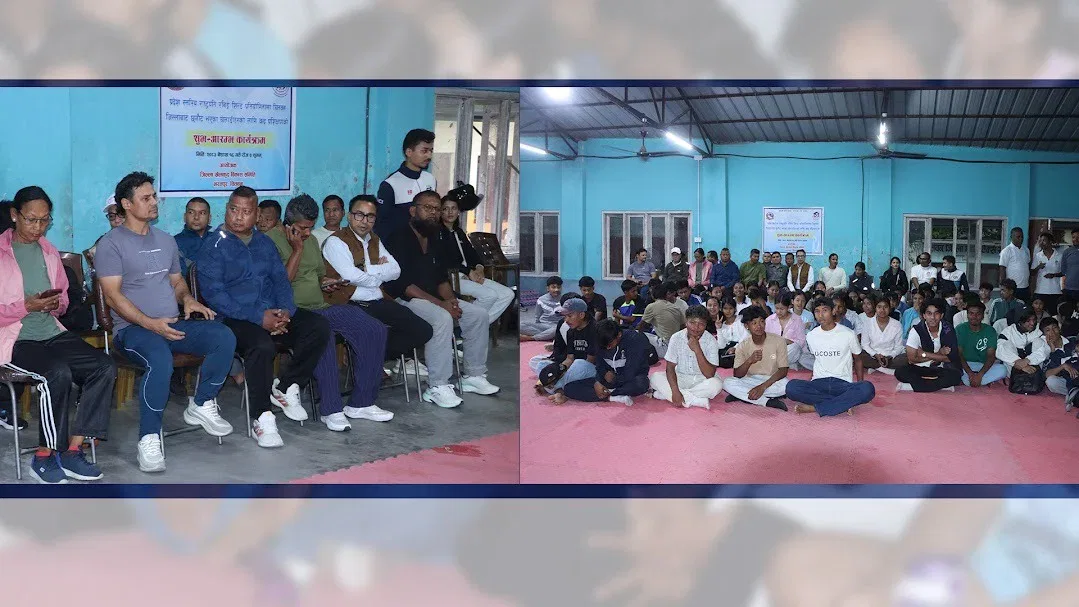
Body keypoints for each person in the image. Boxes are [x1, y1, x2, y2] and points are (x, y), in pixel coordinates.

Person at [96, 173, 236, 471]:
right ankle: (148, 438)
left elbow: (176, 281)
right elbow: (112, 297)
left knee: (223, 336)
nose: (153, 202)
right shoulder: (111, 244)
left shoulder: (165, 240)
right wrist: (149, 323)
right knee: (159, 358)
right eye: (145, 198)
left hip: (171, 323)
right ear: (126, 204)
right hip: (132, 331)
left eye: (154, 196)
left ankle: (202, 403)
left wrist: (188, 299)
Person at [198, 186, 330, 447]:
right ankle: (262, 417)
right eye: (233, 209)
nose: (238, 216)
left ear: (257, 214)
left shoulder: (264, 243)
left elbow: (280, 281)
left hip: (270, 312)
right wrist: (259, 318)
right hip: (231, 318)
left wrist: (285, 312)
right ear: (226, 209)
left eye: (246, 211)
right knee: (261, 345)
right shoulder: (213, 246)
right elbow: (216, 296)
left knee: (318, 326)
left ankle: (286, 385)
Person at [0, 186, 115, 483]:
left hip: (51, 332)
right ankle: (44, 457)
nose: (38, 227)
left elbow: (63, 298)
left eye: (45, 220)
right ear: (14, 215)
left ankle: (73, 450)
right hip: (15, 339)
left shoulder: (49, 251)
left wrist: (56, 304)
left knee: (103, 366)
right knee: (57, 373)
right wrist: (25, 306)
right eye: (31, 219)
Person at [265, 194, 393, 431]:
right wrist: (296, 249)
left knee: (373, 329)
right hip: (293, 314)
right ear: (287, 224)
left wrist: (327, 282)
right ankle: (331, 410)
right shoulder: (269, 241)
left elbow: (317, 274)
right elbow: (279, 284)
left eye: (310, 227)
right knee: (321, 334)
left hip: (321, 306)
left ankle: (362, 403)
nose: (307, 233)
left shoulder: (312, 240)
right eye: (303, 228)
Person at [382, 190, 501, 406]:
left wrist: (452, 301)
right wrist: (442, 305)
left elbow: (440, 278)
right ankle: (437, 386)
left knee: (478, 315)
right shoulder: (398, 238)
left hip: (432, 298)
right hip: (403, 299)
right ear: (413, 211)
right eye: (427, 208)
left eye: (436, 209)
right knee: (442, 318)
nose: (433, 213)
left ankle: (473, 375)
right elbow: (403, 285)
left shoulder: (434, 238)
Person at [322, 195, 433, 380]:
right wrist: (379, 275)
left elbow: (396, 270)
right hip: (350, 303)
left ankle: (369, 357)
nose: (364, 221)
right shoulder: (336, 242)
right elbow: (350, 277)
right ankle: (368, 359)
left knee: (422, 330)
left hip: (377, 300)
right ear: (349, 216)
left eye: (370, 216)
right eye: (359, 215)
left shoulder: (374, 239)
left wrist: (367, 269)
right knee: (375, 331)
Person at [786, 297, 875, 416]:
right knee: (791, 387)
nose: (821, 315)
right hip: (818, 383)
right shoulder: (811, 336)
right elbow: (818, 360)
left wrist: (858, 385)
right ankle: (842, 404)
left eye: (824, 310)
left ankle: (816, 408)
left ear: (833, 311)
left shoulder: (848, 333)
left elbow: (858, 360)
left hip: (842, 383)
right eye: (817, 311)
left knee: (867, 389)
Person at [439, 193, 515, 325]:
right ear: (440, 212)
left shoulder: (459, 232)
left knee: (507, 294)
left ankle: (477, 324)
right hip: (453, 277)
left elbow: (472, 254)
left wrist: (479, 267)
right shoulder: (438, 233)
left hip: (470, 275)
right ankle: (472, 325)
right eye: (446, 209)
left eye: (454, 208)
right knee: (490, 296)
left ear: (458, 211)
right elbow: (446, 260)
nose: (450, 212)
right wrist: (468, 271)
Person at [561, 319, 650, 406]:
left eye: (610, 344)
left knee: (641, 383)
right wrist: (598, 381)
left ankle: (609, 393)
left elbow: (631, 371)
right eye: (604, 345)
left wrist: (614, 379)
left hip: (630, 379)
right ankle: (612, 397)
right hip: (609, 380)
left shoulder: (634, 340)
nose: (607, 348)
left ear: (619, 335)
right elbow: (599, 365)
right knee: (569, 388)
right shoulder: (600, 340)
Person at [649, 305, 721, 409]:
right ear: (686, 321)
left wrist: (697, 349)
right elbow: (670, 367)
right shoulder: (676, 337)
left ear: (706, 325)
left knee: (716, 385)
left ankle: (666, 395)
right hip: (680, 377)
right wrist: (675, 391)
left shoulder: (711, 341)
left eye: (701, 324)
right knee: (655, 377)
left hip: (702, 379)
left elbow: (709, 374)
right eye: (692, 322)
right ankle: (694, 400)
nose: (696, 327)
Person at [535, 298, 600, 404]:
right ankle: (556, 388)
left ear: (581, 315)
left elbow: (590, 361)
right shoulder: (571, 331)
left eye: (569, 316)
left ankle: (557, 390)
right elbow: (569, 358)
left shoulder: (595, 329)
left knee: (579, 363)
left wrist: (557, 377)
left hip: (591, 369)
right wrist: (557, 371)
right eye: (565, 316)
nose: (566, 320)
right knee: (541, 365)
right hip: (574, 369)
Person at [725, 305, 790, 410]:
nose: (759, 326)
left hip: (772, 380)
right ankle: (767, 401)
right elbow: (737, 374)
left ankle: (743, 395)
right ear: (746, 326)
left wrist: (762, 387)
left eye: (761, 321)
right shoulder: (742, 346)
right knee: (727, 382)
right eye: (754, 323)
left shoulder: (779, 341)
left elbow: (783, 370)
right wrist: (749, 361)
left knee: (786, 385)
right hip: (751, 380)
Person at [376, 128, 437, 240]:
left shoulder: (430, 179)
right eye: (424, 151)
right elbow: (381, 225)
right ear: (409, 152)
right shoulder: (390, 184)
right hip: (400, 244)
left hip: (428, 244)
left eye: (431, 151)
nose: (429, 156)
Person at [894, 298, 962, 393]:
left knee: (956, 376)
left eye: (936, 313)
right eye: (929, 313)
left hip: (941, 368)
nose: (933, 317)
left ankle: (912, 386)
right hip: (920, 367)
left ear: (941, 315)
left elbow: (951, 358)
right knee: (900, 372)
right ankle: (940, 386)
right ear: (924, 315)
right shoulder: (916, 330)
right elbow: (912, 359)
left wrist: (924, 354)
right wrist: (939, 353)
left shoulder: (948, 330)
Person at [954, 300, 1008, 388]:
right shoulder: (960, 329)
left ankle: (973, 380)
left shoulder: (990, 330)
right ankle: (981, 380)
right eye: (971, 313)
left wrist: (980, 375)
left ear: (983, 316)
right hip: (966, 364)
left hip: (983, 365)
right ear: (967, 315)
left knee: (1003, 370)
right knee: (953, 368)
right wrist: (970, 373)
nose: (974, 317)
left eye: (978, 314)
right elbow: (959, 354)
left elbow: (991, 356)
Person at [859, 295, 907, 374]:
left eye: (885, 307)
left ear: (890, 308)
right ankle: (883, 368)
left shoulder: (897, 324)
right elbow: (865, 344)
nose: (882, 310)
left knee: (907, 357)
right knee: (859, 354)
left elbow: (899, 346)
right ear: (875, 308)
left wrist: (889, 356)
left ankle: (876, 366)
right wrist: (875, 355)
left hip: (891, 357)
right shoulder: (868, 323)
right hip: (873, 356)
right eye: (879, 307)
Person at [996, 308, 1049, 376]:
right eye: (1028, 321)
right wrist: (1019, 363)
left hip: (1034, 366)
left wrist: (1027, 360)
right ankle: (1012, 377)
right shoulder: (1008, 332)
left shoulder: (1040, 329)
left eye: (1034, 320)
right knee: (1006, 345)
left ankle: (1038, 375)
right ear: (1020, 322)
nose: (1032, 323)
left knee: (1039, 342)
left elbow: (1046, 348)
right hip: (1015, 367)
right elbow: (999, 351)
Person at [1039, 316, 1079, 409]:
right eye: (1048, 330)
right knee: (1051, 381)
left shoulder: (1072, 341)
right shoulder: (1050, 353)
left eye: (1054, 328)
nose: (1052, 332)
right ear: (1044, 334)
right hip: (1070, 381)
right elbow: (1047, 374)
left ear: (1059, 328)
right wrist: (1063, 366)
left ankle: (1074, 395)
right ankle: (1073, 392)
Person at [638, 282, 685, 358]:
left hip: (665, 346)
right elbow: (683, 326)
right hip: (677, 345)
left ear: (652, 295)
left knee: (636, 335)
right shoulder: (676, 308)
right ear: (666, 295)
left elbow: (640, 326)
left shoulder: (651, 306)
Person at [765, 293, 806, 369]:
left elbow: (802, 342)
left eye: (782, 309)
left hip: (790, 352)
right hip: (773, 352)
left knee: (795, 348)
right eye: (777, 308)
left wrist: (788, 342)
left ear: (788, 307)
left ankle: (775, 365)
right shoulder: (769, 320)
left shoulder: (797, 320)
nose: (778, 311)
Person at [174, 197, 212, 277]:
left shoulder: (218, 241)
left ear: (209, 218)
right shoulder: (174, 243)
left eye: (202, 213)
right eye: (191, 212)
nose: (196, 217)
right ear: (185, 217)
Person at [520, 275, 562, 340]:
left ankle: (531, 338)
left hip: (557, 326)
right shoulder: (541, 300)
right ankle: (547, 336)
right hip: (543, 325)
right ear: (548, 288)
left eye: (558, 287)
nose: (556, 289)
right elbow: (537, 316)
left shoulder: (565, 300)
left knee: (558, 329)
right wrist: (537, 326)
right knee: (521, 325)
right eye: (553, 287)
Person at [1032, 231, 1064, 314]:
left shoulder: (1059, 255)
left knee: (1054, 315)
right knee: (1039, 315)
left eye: (1044, 240)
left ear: (1050, 242)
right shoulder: (1038, 256)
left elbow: (1063, 272)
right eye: (1040, 241)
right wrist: (1038, 267)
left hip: (1055, 291)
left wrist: (1054, 275)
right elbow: (1032, 273)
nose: (1041, 243)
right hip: (1040, 291)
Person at [999, 226, 1032, 302]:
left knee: (1024, 308)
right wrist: (1003, 288)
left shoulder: (1026, 250)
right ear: (1011, 237)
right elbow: (1002, 269)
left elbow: (1027, 267)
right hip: (1012, 288)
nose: (1021, 239)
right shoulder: (1006, 251)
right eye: (1018, 237)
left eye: (1022, 237)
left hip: (1025, 287)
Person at [715, 297, 745, 369]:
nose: (728, 311)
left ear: (735, 309)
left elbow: (746, 336)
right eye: (725, 308)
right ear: (721, 309)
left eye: (730, 308)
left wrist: (735, 347)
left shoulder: (741, 320)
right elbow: (721, 346)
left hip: (742, 348)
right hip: (728, 353)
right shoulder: (722, 325)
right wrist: (719, 329)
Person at [1062, 229, 1079, 303]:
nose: (1075, 239)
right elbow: (1063, 270)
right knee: (1069, 309)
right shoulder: (1067, 252)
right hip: (1069, 289)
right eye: (1073, 237)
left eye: (1078, 237)